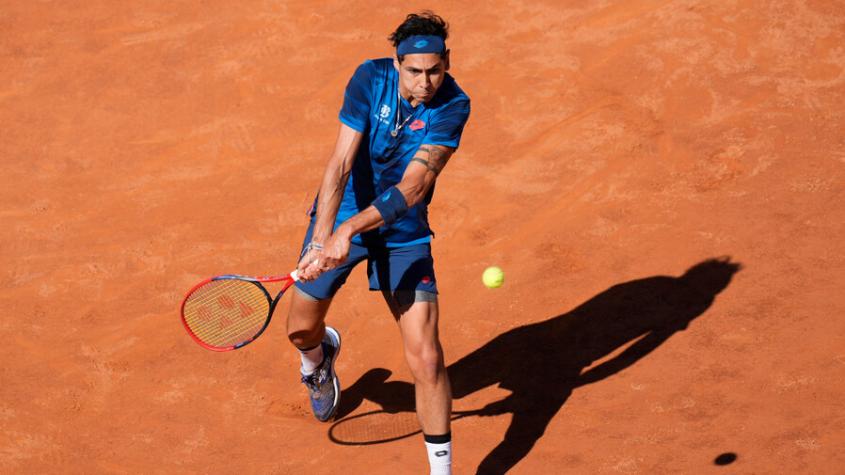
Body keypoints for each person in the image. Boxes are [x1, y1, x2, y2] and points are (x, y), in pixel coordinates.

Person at [285, 11, 470, 475]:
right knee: (299, 330)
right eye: (414, 71)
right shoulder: (369, 79)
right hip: (342, 212)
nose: (426, 82)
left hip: (402, 233)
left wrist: (349, 233)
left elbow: (412, 189)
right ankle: (319, 357)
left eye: (435, 70)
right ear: (397, 62)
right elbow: (340, 163)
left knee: (427, 356)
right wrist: (325, 235)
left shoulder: (454, 105)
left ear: (446, 62)